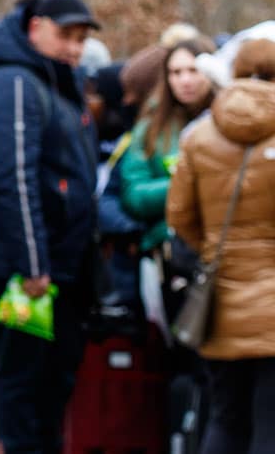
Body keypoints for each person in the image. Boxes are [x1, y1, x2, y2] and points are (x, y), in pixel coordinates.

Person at [0, 0, 100, 454]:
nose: (75, 48)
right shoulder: (14, 82)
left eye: (81, 39)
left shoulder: (54, 79)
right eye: (66, 36)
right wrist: (34, 264)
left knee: (34, 387)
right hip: (25, 272)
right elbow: (12, 178)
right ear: (36, 26)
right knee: (24, 389)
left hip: (54, 267)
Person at [167, 38, 275, 454]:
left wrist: (215, 249)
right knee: (270, 421)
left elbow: (178, 216)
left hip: (221, 300)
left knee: (226, 417)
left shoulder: (199, 136)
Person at [120, 38, 215, 251]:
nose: (185, 80)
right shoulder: (151, 127)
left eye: (194, 70)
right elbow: (133, 194)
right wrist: (184, 183)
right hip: (170, 244)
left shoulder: (234, 121)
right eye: (176, 72)